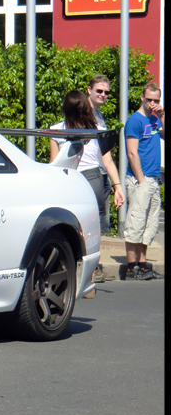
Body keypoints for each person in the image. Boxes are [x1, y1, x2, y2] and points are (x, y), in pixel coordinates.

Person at [50, 90, 124, 283]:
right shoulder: (97, 130)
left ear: (65, 108)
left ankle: (68, 267)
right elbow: (107, 161)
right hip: (93, 178)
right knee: (92, 229)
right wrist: (118, 186)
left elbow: (54, 163)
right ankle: (91, 273)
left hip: (69, 178)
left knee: (67, 225)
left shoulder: (56, 130)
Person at [85, 75, 126, 280]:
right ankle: (90, 270)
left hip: (99, 174)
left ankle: (94, 267)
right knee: (90, 225)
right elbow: (105, 155)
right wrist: (118, 185)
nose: (103, 95)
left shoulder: (99, 115)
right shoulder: (83, 113)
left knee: (97, 225)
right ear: (89, 90)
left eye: (106, 92)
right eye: (99, 91)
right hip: (89, 173)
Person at [122, 82, 164, 281]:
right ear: (142, 98)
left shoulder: (155, 119)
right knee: (136, 223)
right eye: (149, 99)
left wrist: (162, 115)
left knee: (150, 224)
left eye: (156, 100)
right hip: (141, 178)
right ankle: (132, 268)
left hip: (154, 178)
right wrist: (141, 179)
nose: (152, 103)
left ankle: (143, 264)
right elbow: (132, 152)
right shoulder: (134, 121)